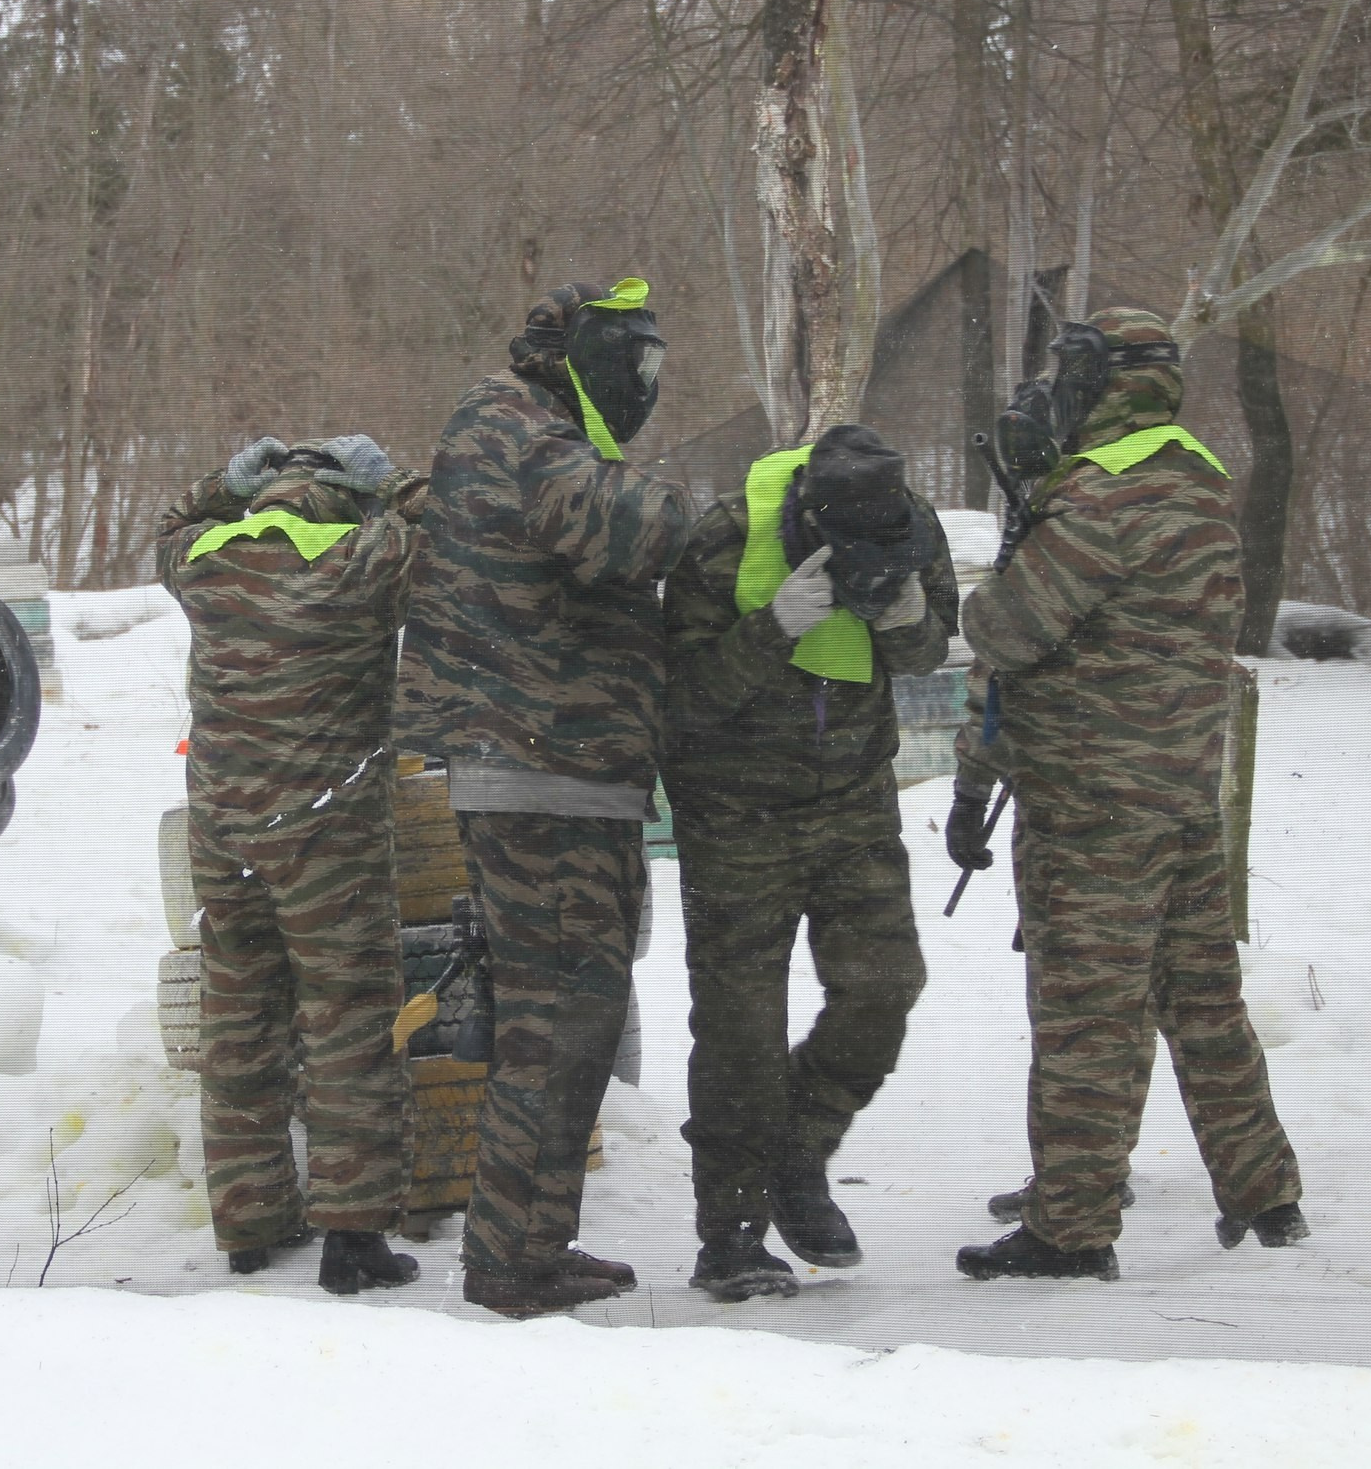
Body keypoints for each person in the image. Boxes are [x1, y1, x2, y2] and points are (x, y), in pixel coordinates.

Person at [947, 307, 1306, 1282]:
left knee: (1085, 1014)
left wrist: (1006, 563)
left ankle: (1070, 1226)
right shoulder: (1196, 481)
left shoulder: (1102, 499)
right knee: (1199, 999)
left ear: (1098, 384)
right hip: (1181, 790)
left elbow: (1004, 631)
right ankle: (1263, 1188)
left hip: (1093, 802)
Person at [397, 278, 692, 1316]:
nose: (645, 388)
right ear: (584, 357)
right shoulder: (525, 433)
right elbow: (626, 530)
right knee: (557, 1019)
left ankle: (526, 1243)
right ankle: (511, 1258)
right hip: (542, 770)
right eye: (635, 365)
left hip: (555, 769)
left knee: (565, 1015)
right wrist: (731, 524)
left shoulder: (525, 425)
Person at [662, 423, 955, 1301]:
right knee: (740, 1031)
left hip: (854, 800)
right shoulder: (724, 537)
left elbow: (931, 649)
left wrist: (907, 620)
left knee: (884, 986)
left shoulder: (913, 527)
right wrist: (773, 628)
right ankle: (734, 1234)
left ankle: (799, 1150)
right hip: (734, 811)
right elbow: (680, 703)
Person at [156, 434, 427, 1296]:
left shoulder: (204, 559)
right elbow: (457, 532)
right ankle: (353, 1236)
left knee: (238, 1020)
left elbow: (173, 520)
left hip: (222, 833)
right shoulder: (361, 558)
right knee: (345, 1021)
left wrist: (223, 478)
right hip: (324, 834)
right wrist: (392, 480)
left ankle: (248, 1221)